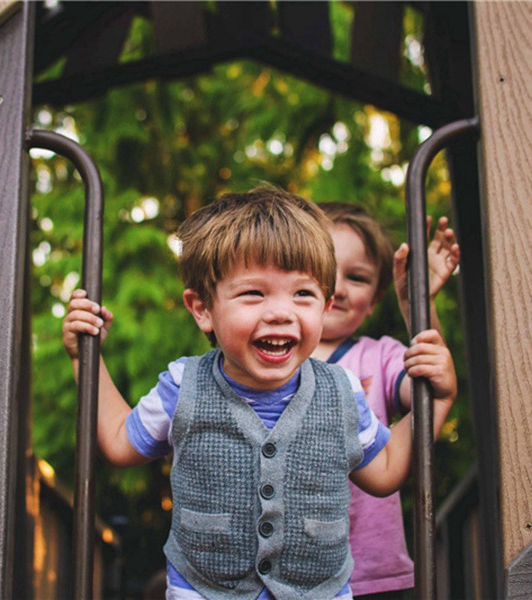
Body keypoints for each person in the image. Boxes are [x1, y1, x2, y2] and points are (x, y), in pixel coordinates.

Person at [62, 186, 457, 600]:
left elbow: (388, 469)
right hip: (206, 590)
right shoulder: (184, 386)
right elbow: (118, 442)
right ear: (202, 309)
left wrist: (440, 401)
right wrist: (85, 359)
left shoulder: (341, 392)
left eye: (303, 293)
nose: (281, 311)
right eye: (254, 293)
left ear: (323, 305)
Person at [312, 202, 460, 599]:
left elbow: (424, 386)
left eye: (357, 278)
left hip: (371, 573)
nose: (338, 287)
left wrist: (419, 304)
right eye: (323, 270)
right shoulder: (271, 358)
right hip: (289, 573)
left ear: (375, 300)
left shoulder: (379, 355)